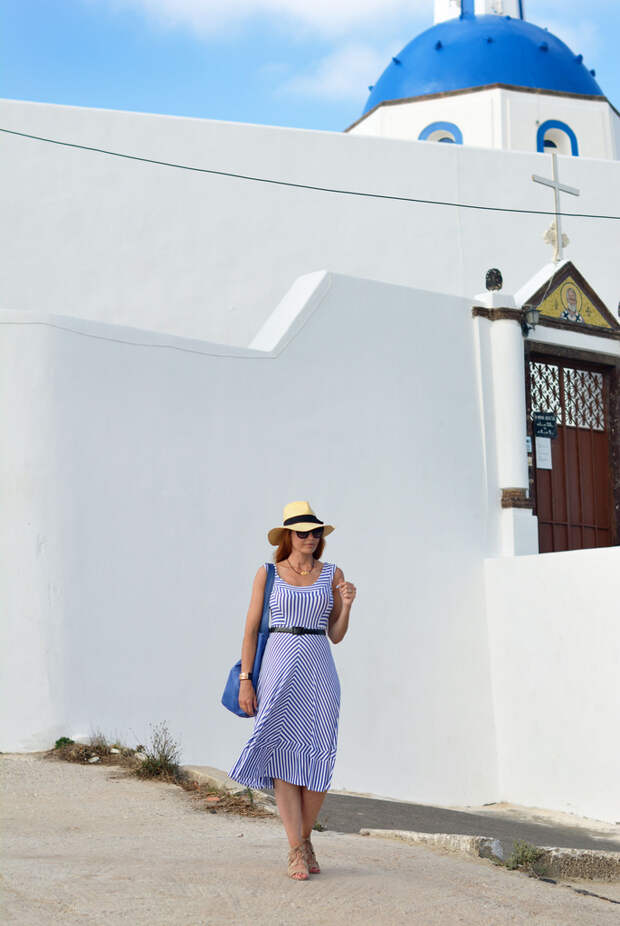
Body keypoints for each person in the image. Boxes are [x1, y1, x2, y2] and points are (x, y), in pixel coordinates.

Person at [229, 500, 356, 880]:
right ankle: (296, 849)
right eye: (303, 532)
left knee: (318, 754)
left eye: (316, 532)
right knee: (284, 756)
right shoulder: (267, 573)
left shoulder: (333, 573)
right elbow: (251, 630)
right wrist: (246, 679)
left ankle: (302, 839)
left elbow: (335, 635)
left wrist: (346, 606)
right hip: (279, 667)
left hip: (319, 669)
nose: (311, 538)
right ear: (288, 535)